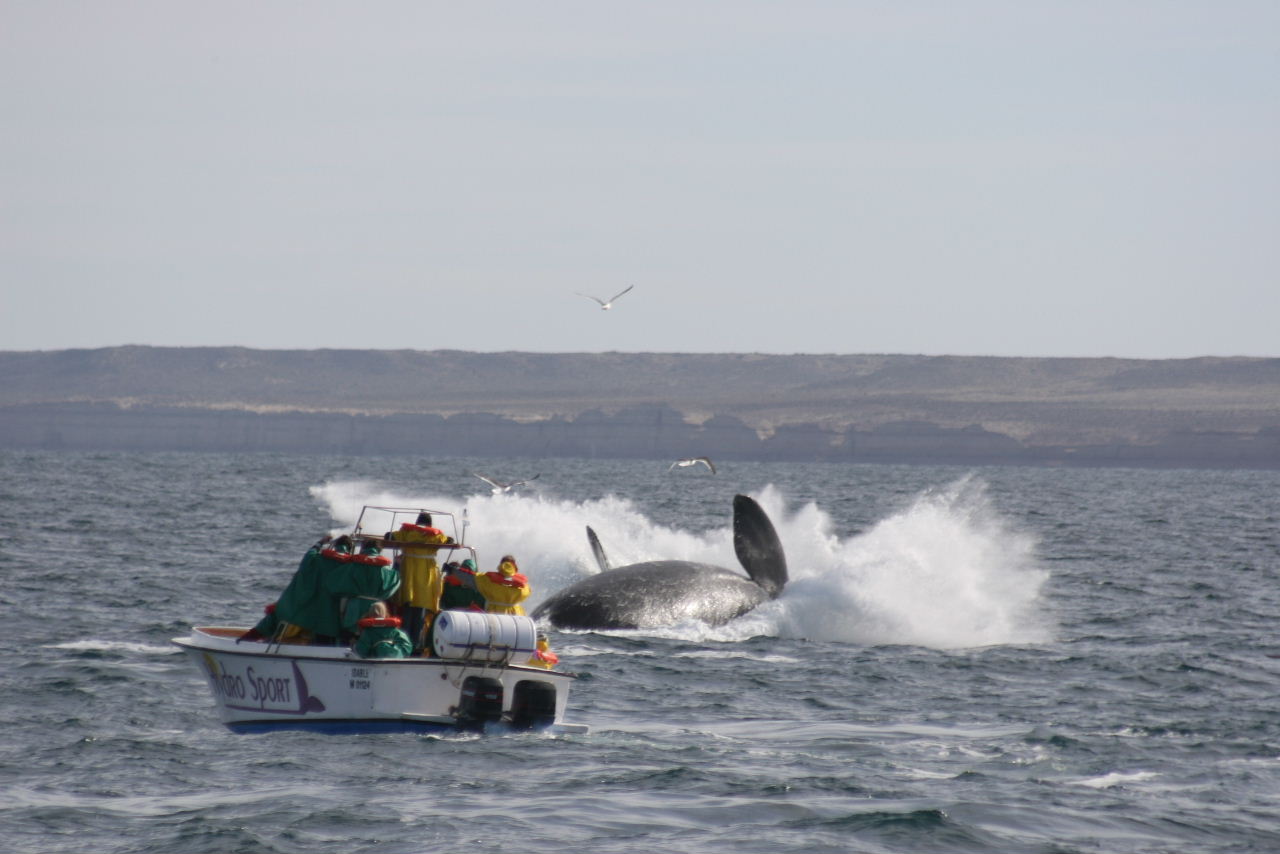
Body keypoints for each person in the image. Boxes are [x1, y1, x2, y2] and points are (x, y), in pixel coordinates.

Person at [388, 512, 451, 653]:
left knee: (407, 613)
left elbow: (390, 536)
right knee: (420, 616)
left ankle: (402, 645)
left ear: (417, 522)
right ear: (430, 524)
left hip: (409, 576)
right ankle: (416, 647)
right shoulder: (434, 536)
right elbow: (448, 540)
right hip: (425, 580)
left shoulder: (406, 532)